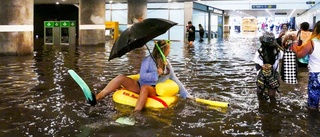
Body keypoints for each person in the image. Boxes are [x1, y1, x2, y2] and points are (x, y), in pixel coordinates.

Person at [88, 40, 191, 112]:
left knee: (145, 88)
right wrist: (156, 74)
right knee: (120, 78)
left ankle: (135, 113)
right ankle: (98, 97)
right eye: (169, 49)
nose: (169, 51)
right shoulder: (147, 60)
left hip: (153, 89)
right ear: (164, 51)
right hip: (140, 85)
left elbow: (175, 79)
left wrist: (186, 95)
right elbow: (143, 77)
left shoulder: (167, 64)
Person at [291, 20, 320, 110]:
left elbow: (298, 55)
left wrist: (295, 41)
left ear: (316, 29)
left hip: (317, 74)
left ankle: (313, 122)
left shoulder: (312, 43)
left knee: (313, 104)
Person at [253, 32, 284, 103]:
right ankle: (273, 110)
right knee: (272, 96)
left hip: (261, 76)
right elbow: (284, 56)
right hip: (274, 76)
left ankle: (261, 108)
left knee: (260, 94)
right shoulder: (278, 51)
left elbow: (257, 64)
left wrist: (258, 74)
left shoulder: (259, 52)